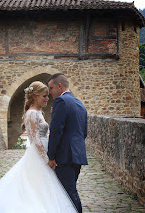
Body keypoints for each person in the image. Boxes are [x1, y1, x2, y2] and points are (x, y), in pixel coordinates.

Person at [0, 81, 78, 213]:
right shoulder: (32, 113)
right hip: (38, 156)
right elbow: (35, 140)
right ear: (34, 96)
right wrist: (47, 159)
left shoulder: (38, 112)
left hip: (44, 151)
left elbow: (43, 134)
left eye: (47, 96)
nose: (47, 99)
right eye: (44, 96)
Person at [47, 73, 88, 213]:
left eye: (51, 88)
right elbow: (84, 132)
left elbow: (56, 131)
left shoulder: (61, 101)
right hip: (78, 155)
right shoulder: (79, 103)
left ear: (59, 86)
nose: (50, 92)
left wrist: (51, 156)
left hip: (65, 156)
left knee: (69, 193)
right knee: (69, 191)